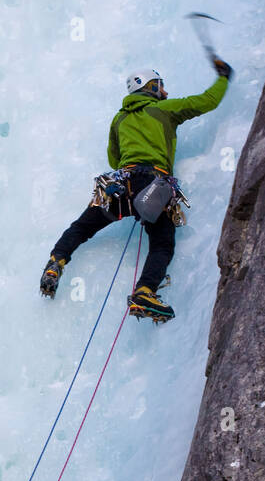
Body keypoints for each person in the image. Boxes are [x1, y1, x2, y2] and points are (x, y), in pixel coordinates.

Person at [39, 57, 233, 321]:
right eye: (160, 86)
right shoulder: (165, 110)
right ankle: (144, 291)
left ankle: (56, 260)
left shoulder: (119, 120)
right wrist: (223, 77)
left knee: (82, 227)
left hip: (120, 184)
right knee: (162, 244)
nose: (165, 92)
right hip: (154, 185)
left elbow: (113, 158)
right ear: (151, 87)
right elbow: (207, 101)